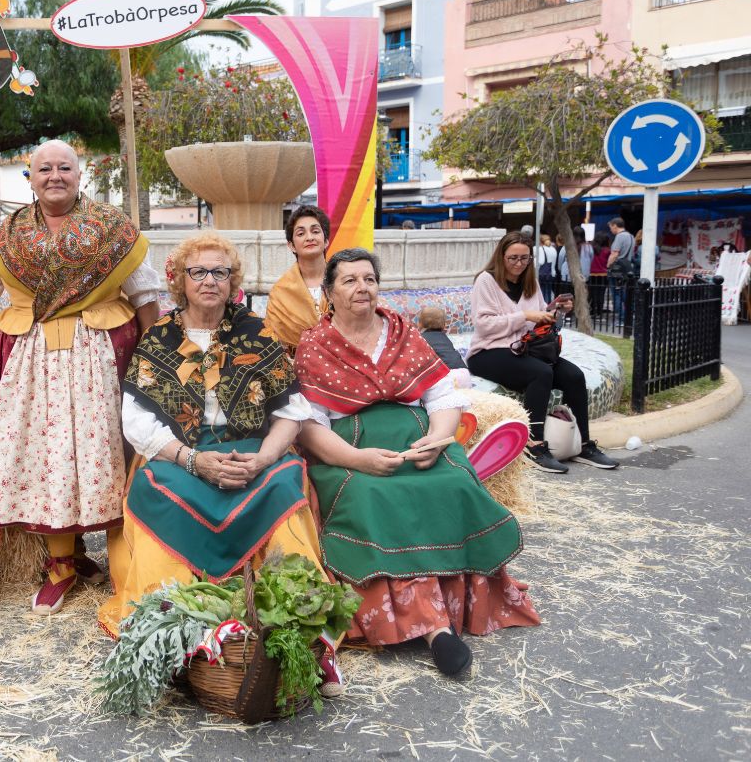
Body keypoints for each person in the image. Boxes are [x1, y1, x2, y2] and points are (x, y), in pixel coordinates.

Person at [0, 140, 160, 614]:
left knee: (106, 451)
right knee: (49, 454)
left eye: (64, 167)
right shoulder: (7, 236)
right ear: (30, 177)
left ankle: (126, 562)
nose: (54, 176)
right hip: (33, 359)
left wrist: (157, 358)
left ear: (79, 174)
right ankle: (62, 564)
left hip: (101, 355)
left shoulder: (113, 229)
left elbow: (144, 291)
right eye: (43, 168)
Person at [102, 233, 345, 696]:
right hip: (181, 450)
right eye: (198, 272)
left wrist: (265, 458)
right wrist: (193, 460)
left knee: (284, 486)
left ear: (233, 281)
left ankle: (314, 639)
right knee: (154, 489)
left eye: (220, 272)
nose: (209, 280)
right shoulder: (159, 338)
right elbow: (135, 417)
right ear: (180, 281)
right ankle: (164, 631)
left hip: (252, 447)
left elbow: (291, 410)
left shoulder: (257, 331)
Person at [296, 248, 539, 677]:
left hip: (417, 440)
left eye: (369, 278)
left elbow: (443, 397)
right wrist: (359, 459)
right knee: (372, 498)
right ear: (330, 292)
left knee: (455, 484)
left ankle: (439, 624)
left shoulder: (403, 332)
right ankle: (436, 630)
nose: (361, 287)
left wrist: (437, 438)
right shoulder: (315, 345)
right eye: (349, 280)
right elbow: (310, 428)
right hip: (349, 452)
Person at [466, 232, 618, 474]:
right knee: (540, 373)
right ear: (501, 256)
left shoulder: (530, 281)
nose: (518, 263)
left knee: (574, 376)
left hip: (526, 348)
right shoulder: (486, 280)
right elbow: (483, 325)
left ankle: (584, 445)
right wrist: (524, 316)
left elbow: (541, 321)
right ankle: (534, 446)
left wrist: (556, 310)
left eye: (524, 258)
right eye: (512, 258)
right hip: (488, 352)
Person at [264, 204, 331, 355]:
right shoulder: (280, 293)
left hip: (343, 366)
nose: (309, 237)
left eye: (315, 231)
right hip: (296, 368)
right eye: (301, 234)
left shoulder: (344, 282)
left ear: (326, 241)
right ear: (291, 245)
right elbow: (273, 342)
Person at [417, 306, 470, 387]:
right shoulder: (445, 339)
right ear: (444, 325)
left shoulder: (420, 339)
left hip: (444, 377)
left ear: (420, 324)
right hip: (464, 374)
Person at [607, 217, 636, 323]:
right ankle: (630, 315)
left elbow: (615, 253)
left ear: (615, 225)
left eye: (611, 227)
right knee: (625, 294)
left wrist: (608, 265)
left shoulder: (619, 237)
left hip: (617, 269)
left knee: (616, 293)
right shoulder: (631, 236)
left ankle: (621, 319)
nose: (610, 230)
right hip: (627, 268)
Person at [589, 230, 610, 314]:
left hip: (592, 274)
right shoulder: (607, 250)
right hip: (603, 274)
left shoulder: (591, 249)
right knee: (601, 293)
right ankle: (599, 311)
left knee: (592, 293)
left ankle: (593, 310)